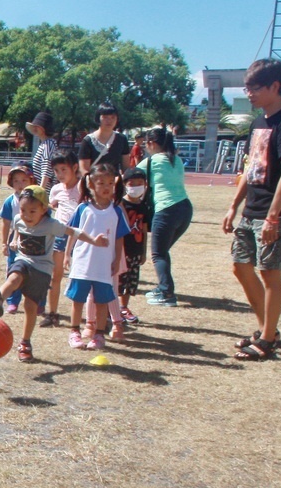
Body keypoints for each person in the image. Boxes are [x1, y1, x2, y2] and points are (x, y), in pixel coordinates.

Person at [223, 58, 281, 362]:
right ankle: (268, 330)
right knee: (240, 266)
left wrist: (272, 216)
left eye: (255, 88)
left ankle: (268, 339)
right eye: (247, 87)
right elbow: (250, 168)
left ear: (275, 87)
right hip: (251, 209)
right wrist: (233, 206)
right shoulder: (259, 123)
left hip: (278, 212)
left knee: (270, 272)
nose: (250, 93)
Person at [0, 185, 103, 363]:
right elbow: (17, 227)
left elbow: (73, 232)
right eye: (23, 210)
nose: (27, 215)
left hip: (42, 269)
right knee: (14, 277)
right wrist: (15, 240)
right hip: (23, 261)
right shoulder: (18, 219)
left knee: (31, 307)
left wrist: (93, 240)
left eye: (32, 211)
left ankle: (25, 343)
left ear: (43, 210)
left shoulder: (51, 225)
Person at [64, 164, 130, 351]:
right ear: (91, 185)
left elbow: (119, 237)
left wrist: (117, 260)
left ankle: (99, 334)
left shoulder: (116, 210)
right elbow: (73, 232)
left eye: (110, 183)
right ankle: (75, 332)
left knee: (101, 300)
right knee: (78, 300)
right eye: (101, 183)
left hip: (104, 265)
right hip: (83, 263)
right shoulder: (83, 208)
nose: (107, 187)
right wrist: (68, 254)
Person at [137, 126, 193, 307]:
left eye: (146, 144)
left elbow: (130, 176)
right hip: (184, 208)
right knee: (162, 251)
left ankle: (166, 292)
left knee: (158, 254)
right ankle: (164, 287)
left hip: (166, 210)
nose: (145, 147)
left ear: (152, 144)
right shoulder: (176, 159)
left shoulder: (152, 161)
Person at [44, 150, 81, 327]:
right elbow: (53, 206)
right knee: (55, 276)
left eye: (64, 169)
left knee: (81, 277)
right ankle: (52, 313)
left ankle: (92, 318)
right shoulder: (56, 189)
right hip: (59, 236)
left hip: (81, 237)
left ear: (75, 167)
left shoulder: (83, 187)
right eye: (56, 170)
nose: (60, 174)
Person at [0, 163, 37, 315]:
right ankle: (12, 302)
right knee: (13, 272)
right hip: (15, 243)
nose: (20, 184)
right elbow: (6, 223)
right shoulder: (10, 201)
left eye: (23, 180)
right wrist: (4, 243)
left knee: (34, 274)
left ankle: (36, 302)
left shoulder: (37, 198)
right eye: (16, 181)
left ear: (31, 181)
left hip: (34, 241)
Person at [116, 168, 152, 325]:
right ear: (124, 184)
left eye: (140, 183)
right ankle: (114, 308)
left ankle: (124, 307)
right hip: (121, 250)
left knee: (130, 281)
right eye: (132, 183)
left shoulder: (143, 206)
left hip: (135, 250)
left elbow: (143, 229)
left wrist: (143, 251)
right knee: (118, 280)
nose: (136, 187)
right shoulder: (119, 205)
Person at [77, 102, 131, 177]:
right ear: (98, 118)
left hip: (114, 184)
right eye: (105, 117)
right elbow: (84, 169)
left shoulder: (122, 139)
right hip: (94, 184)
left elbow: (126, 167)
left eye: (113, 117)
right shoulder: (88, 141)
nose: (109, 120)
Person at [26, 111, 57, 190]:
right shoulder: (44, 144)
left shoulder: (49, 144)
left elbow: (47, 167)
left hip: (47, 192)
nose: (34, 129)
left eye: (37, 126)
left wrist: (41, 189)